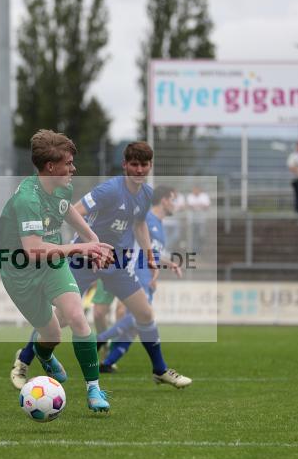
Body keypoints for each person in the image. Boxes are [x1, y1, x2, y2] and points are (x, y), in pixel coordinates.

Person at [10, 142, 193, 389]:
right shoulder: (109, 190)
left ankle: (160, 370)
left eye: (144, 165)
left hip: (116, 262)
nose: (139, 170)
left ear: (150, 166)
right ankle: (23, 361)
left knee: (145, 313)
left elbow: (139, 225)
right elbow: (74, 211)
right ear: (125, 165)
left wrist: (149, 257)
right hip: (84, 259)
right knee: (60, 319)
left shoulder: (147, 195)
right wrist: (90, 247)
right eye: (134, 164)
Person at [0, 129, 115, 413]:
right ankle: (43, 353)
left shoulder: (62, 185)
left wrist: (92, 240)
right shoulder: (27, 199)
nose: (73, 169)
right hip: (19, 271)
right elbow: (34, 249)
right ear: (51, 167)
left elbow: (66, 210)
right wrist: (80, 249)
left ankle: (94, 389)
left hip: (52, 263)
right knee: (51, 335)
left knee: (77, 316)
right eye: (68, 163)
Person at [97, 185, 184, 372]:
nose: (175, 204)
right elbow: (138, 248)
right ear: (164, 200)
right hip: (137, 272)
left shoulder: (159, 225)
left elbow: (152, 253)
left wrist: (169, 264)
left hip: (147, 275)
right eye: (174, 199)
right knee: (140, 316)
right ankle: (100, 340)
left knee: (137, 324)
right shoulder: (147, 219)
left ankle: (108, 362)